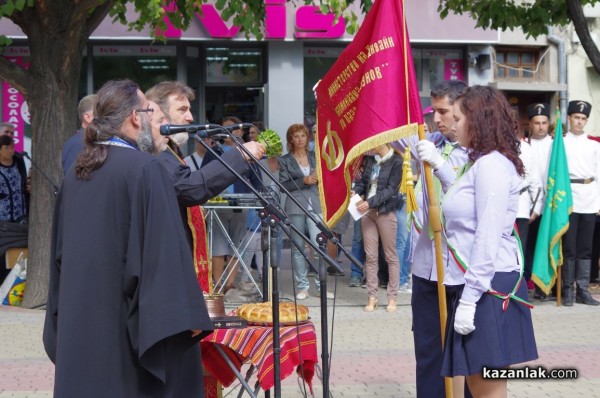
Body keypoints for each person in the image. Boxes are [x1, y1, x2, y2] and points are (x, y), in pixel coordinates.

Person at [43, 79, 213, 397]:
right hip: (121, 330)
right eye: (150, 111)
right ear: (136, 117)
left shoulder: (76, 174)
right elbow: (163, 254)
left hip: (79, 322)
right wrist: (187, 314)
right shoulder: (146, 170)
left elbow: (59, 256)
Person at [419, 85, 538, 397]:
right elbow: (464, 199)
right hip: (480, 284)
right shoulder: (481, 162)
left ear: (479, 121)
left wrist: (470, 300)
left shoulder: (491, 165)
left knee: (486, 391)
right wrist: (438, 165)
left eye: (459, 118)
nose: (454, 125)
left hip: (487, 286)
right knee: (477, 385)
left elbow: (486, 235)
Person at [146, 82, 265, 295]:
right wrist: (240, 156)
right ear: (159, 114)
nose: (190, 118)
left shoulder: (170, 150)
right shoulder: (155, 153)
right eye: (182, 110)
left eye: (189, 110)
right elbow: (190, 188)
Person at [399, 80, 470, 398]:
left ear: (464, 109)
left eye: (444, 111)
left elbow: (467, 196)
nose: (437, 118)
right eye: (434, 111)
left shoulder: (482, 151)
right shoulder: (432, 142)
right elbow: (393, 128)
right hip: (428, 266)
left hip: (462, 268)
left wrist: (439, 165)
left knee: (467, 356)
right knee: (428, 352)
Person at [279, 123, 333, 300]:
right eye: (296, 136)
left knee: (319, 247)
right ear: (291, 140)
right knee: (298, 248)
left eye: (303, 135)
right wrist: (303, 180)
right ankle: (302, 287)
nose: (300, 139)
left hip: (316, 204)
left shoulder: (316, 156)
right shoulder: (285, 160)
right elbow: (283, 186)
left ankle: (321, 286)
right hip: (295, 205)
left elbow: (328, 178)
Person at [353, 143, 403, 312]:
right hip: (367, 212)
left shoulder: (396, 160)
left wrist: (369, 202)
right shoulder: (369, 160)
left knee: (390, 255)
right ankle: (372, 296)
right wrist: (355, 191)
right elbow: (363, 183)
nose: (369, 144)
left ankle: (392, 297)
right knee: (371, 256)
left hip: (384, 211)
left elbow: (391, 189)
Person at [561, 100, 600, 306]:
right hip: (569, 198)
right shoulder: (560, 143)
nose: (580, 122)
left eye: (583, 119)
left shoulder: (594, 145)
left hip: (589, 196)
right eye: (576, 117)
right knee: (569, 247)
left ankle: (582, 290)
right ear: (569, 118)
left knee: (585, 247)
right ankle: (567, 290)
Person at [61, 94, 97, 174]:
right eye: (101, 113)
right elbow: (73, 180)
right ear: (88, 117)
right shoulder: (77, 144)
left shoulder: (95, 141)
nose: (107, 118)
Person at [0, 135, 28, 224]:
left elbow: (24, 183)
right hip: (3, 220)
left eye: (12, 147)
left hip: (21, 217)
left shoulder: (19, 162)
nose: (10, 150)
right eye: (6, 147)